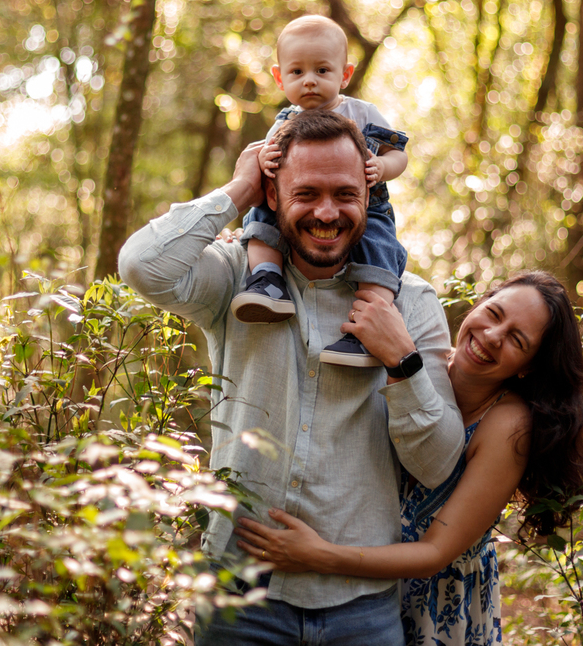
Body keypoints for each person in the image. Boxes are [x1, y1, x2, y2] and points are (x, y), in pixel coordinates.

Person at [118, 111, 465, 646]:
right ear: (274, 196)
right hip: (239, 598)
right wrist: (239, 188)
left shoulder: (410, 301)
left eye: (345, 194)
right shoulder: (235, 277)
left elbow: (439, 463)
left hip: (363, 609)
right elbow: (142, 264)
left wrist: (403, 361)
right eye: (307, 193)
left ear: (369, 197)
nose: (328, 213)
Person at [234, 271, 583, 645]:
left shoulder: (508, 425)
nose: (491, 336)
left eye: (516, 340)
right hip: (357, 591)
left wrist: (319, 555)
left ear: (529, 366)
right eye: (494, 313)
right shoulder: (414, 354)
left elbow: (434, 552)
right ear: (478, 305)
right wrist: (258, 259)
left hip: (435, 604)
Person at [230, 14, 410, 368]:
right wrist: (265, 159)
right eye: (297, 72)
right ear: (280, 77)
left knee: (378, 249)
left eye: (322, 71)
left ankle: (367, 326)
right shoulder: (283, 121)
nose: (309, 81)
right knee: (262, 216)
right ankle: (267, 280)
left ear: (345, 74)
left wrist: (383, 168)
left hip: (366, 208)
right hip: (293, 207)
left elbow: (400, 153)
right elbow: (269, 159)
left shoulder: (361, 112)